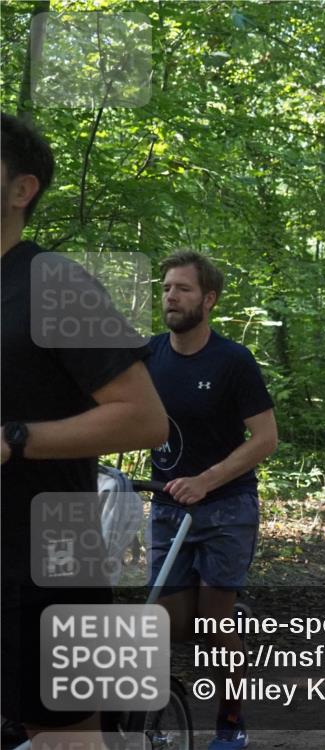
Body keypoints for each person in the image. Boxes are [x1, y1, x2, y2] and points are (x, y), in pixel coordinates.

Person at [1, 113, 168, 747]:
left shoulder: (54, 283)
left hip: (52, 554)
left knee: (68, 738)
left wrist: (17, 438)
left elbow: (145, 418)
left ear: (23, 190)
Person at [146, 250, 278, 750]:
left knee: (213, 622)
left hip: (226, 509)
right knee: (163, 621)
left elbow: (265, 438)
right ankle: (149, 718)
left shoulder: (232, 361)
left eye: (182, 288)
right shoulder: (148, 356)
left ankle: (230, 722)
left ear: (209, 299)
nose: (171, 297)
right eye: (165, 288)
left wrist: (207, 479)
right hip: (165, 506)